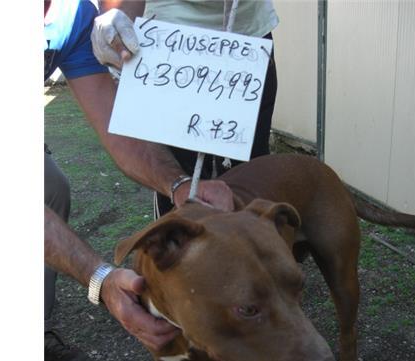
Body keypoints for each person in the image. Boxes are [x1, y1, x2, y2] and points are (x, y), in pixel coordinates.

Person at [44, 0, 234, 361]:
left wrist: (177, 184)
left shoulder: (70, 13)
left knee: (52, 188)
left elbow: (117, 128)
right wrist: (99, 278)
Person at [91, 0, 279, 217]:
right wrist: (117, 21)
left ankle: (249, 234)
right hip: (172, 43)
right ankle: (178, 236)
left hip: (247, 38)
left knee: (251, 171)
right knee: (180, 178)